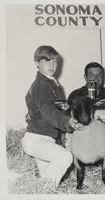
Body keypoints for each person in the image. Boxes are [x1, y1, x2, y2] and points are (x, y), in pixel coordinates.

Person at [21, 45, 82, 188]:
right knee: (65, 157)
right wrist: (66, 121)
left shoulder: (53, 83)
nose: (52, 65)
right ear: (37, 63)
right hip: (36, 139)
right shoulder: (42, 84)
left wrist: (63, 108)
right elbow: (48, 110)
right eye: (47, 61)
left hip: (46, 139)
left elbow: (48, 107)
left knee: (47, 181)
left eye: (54, 61)